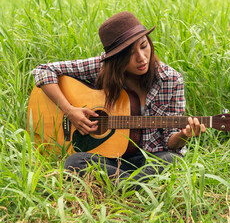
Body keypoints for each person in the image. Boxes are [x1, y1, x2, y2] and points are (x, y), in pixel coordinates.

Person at [32, 11, 206, 187]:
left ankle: (121, 183)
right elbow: (43, 70)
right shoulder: (102, 68)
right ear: (116, 59)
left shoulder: (171, 80)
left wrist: (184, 135)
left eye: (144, 46)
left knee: (173, 161)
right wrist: (70, 111)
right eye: (130, 54)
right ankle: (140, 185)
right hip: (109, 159)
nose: (141, 57)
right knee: (74, 162)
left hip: (151, 158)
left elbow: (171, 143)